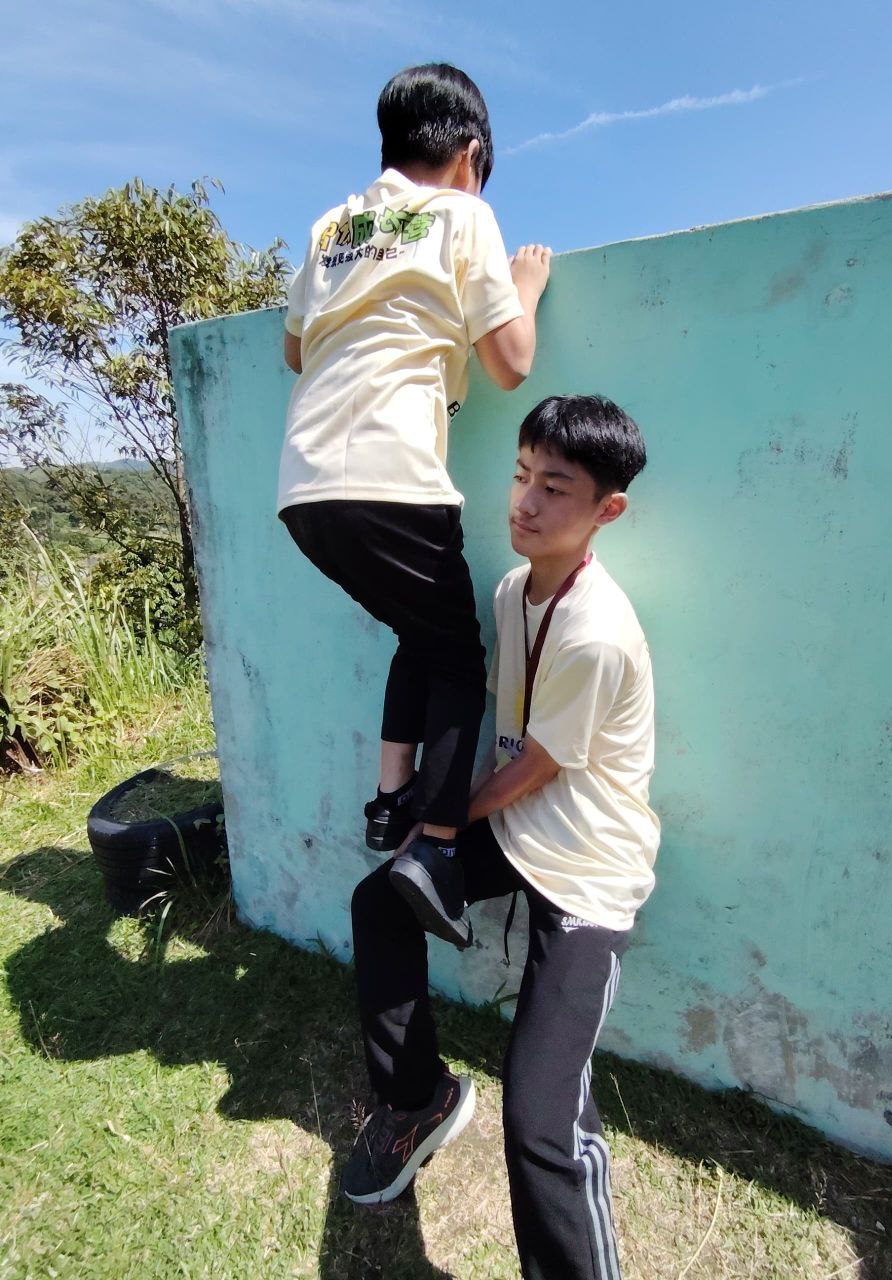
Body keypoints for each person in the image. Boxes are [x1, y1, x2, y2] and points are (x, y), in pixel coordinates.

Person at [344, 395, 661, 1280]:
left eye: (554, 488)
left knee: (540, 1123)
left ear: (607, 510)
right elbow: (493, 724)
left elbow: (537, 769)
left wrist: (440, 819)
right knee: (380, 904)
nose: (524, 502)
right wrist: (422, 811)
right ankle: (417, 1099)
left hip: (588, 869)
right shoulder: (513, 591)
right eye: (521, 476)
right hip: (517, 832)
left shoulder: (598, 632)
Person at [278, 63, 551, 949]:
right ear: (470, 155)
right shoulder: (462, 216)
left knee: (421, 635)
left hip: (306, 490)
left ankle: (390, 803)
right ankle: (434, 847)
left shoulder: (331, 226)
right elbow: (511, 363)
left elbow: (295, 351)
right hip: (392, 477)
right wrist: (524, 289)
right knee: (462, 658)